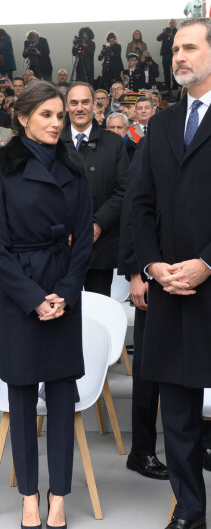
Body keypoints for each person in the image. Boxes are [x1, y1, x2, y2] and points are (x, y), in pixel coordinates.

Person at [0, 81, 93, 529]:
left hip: (64, 286)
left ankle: (60, 496)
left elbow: (84, 239)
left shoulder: (75, 166)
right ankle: (29, 494)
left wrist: (64, 293)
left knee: (63, 396)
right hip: (19, 294)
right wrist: (33, 298)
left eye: (60, 115)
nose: (55, 123)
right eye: (46, 114)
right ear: (23, 117)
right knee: (22, 394)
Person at [132, 17, 211, 529]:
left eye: (189, 47)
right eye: (175, 49)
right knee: (178, 410)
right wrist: (154, 266)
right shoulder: (160, 126)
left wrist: (208, 261)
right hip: (171, 291)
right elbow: (139, 206)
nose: (178, 56)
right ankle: (189, 509)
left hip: (208, 278)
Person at [118, 138, 168, 481]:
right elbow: (134, 213)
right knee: (150, 370)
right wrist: (137, 273)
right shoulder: (155, 141)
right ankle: (143, 450)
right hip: (154, 276)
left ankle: (205, 442)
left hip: (199, 277)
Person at [61, 83, 128, 296]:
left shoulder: (114, 143)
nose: (79, 108)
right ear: (66, 106)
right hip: (60, 247)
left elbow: (123, 190)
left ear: (94, 105)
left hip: (100, 247)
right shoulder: (52, 143)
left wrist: (98, 224)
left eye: (85, 102)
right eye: (74, 103)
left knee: (97, 314)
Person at [157, 19, 178, 92]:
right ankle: (168, 87)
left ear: (175, 24)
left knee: (174, 71)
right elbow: (158, 39)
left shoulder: (177, 32)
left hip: (174, 55)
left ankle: (175, 87)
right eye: (170, 23)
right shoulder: (165, 32)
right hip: (165, 55)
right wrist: (164, 32)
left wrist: (171, 35)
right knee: (166, 72)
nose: (171, 24)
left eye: (173, 23)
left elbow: (177, 40)